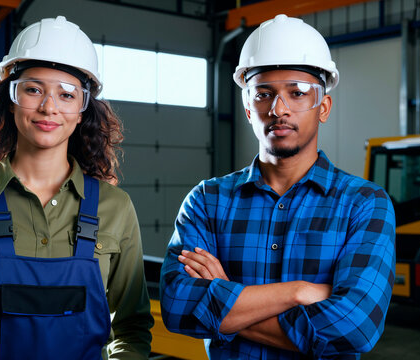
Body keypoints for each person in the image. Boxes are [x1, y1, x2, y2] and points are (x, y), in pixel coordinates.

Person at [159, 14, 396, 359]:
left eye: (297, 93)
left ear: (323, 107)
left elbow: (355, 327)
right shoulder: (207, 201)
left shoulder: (363, 204)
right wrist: (298, 292)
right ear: (247, 108)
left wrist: (223, 300)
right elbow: (177, 306)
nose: (279, 109)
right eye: (264, 94)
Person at [0, 16, 153, 359]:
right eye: (33, 89)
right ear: (11, 97)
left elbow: (132, 329)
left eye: (66, 94)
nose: (49, 107)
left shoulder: (115, 207)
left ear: (82, 109)